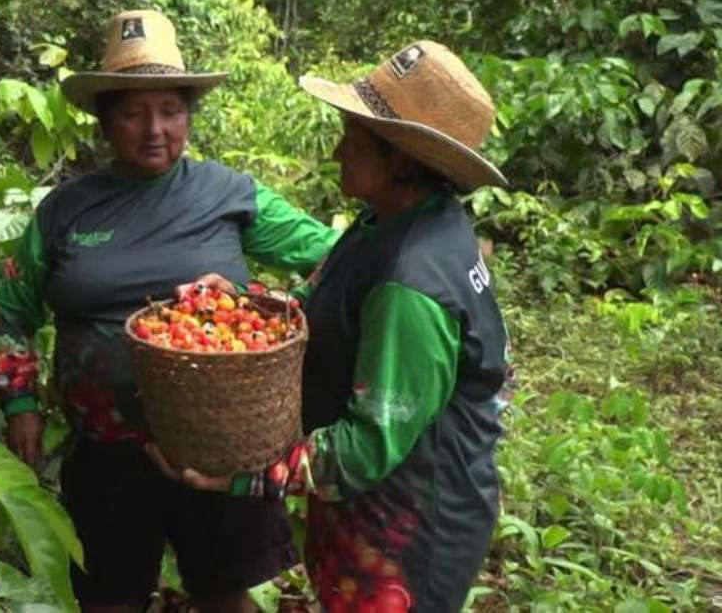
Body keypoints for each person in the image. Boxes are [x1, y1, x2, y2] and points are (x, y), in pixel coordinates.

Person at [0, 10, 341, 613]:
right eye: (133, 112)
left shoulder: (229, 193)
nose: (155, 129)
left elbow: (339, 257)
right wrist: (20, 403)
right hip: (103, 452)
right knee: (107, 596)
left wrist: (277, 302)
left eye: (171, 111)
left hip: (216, 447)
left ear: (188, 115)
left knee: (223, 591)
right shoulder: (66, 210)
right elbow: (13, 308)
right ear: (105, 120)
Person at [151, 41, 513, 613]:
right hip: (376, 511)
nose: (338, 151)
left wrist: (241, 478)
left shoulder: (410, 283)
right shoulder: (393, 222)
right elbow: (330, 303)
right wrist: (242, 307)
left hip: (409, 529)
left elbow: (366, 447)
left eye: (354, 138)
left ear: (399, 157)